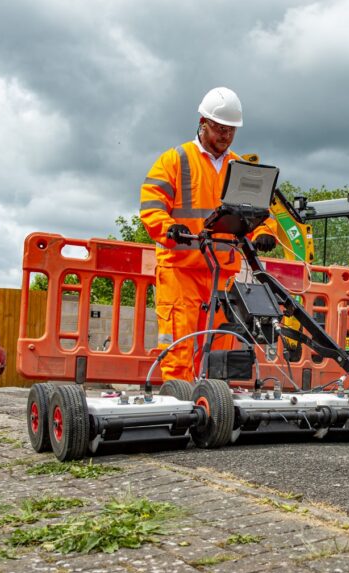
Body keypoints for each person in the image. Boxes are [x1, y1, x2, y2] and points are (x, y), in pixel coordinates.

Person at [140, 86, 277, 382]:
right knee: (180, 344)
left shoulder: (239, 167)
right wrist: (168, 228)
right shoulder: (175, 159)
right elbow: (152, 205)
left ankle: (212, 410)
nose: (225, 136)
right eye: (219, 128)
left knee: (218, 347)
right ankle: (177, 404)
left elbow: (261, 213)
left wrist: (265, 232)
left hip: (221, 272)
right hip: (181, 270)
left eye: (231, 130)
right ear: (203, 123)